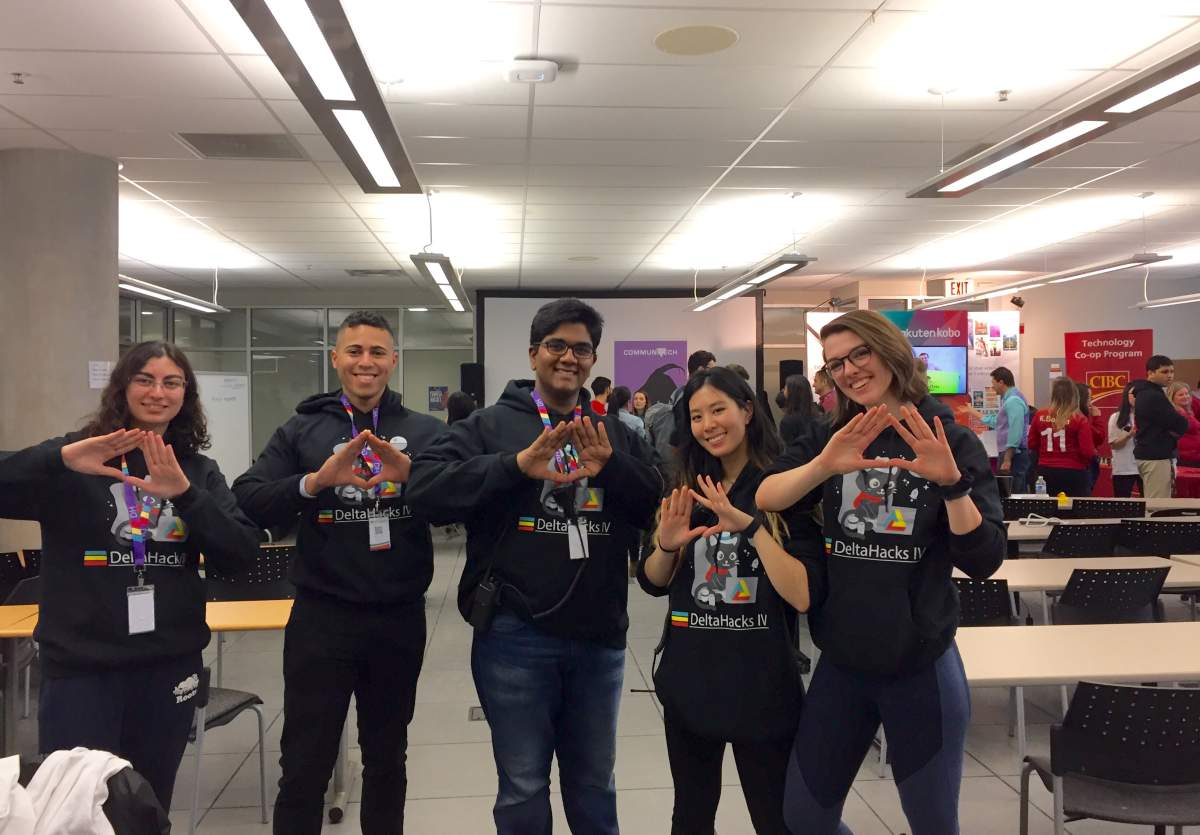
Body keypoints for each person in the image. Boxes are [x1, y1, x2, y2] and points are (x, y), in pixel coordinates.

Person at [404, 298, 662, 835]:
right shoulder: (488, 426)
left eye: (582, 348)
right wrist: (516, 465)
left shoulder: (613, 432)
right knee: (522, 787)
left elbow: (653, 506)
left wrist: (611, 469)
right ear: (533, 353)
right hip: (514, 634)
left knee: (595, 785)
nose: (569, 357)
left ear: (593, 360)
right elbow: (425, 490)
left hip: (600, 636)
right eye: (557, 345)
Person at [755, 310, 1004, 835]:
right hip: (843, 661)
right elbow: (766, 496)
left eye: (858, 354)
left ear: (887, 350)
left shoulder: (949, 438)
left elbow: (983, 560)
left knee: (934, 824)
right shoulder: (832, 434)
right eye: (835, 363)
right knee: (804, 816)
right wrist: (826, 463)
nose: (848, 371)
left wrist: (953, 485)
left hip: (920, 663)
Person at [0, 341, 260, 810]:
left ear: (186, 395)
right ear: (123, 387)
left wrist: (185, 495)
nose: (157, 392)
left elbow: (241, 554)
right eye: (145, 379)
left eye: (171, 382)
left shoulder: (196, 472)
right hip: (82, 670)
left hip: (168, 667)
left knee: (148, 804)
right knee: (75, 810)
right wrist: (58, 458)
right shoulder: (76, 461)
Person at [231, 310, 447, 835]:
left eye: (377, 352)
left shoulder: (424, 431)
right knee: (304, 763)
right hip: (321, 618)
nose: (365, 362)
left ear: (394, 361)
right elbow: (249, 496)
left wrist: (412, 478)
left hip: (396, 619)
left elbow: (458, 505)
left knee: (387, 759)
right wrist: (314, 482)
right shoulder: (302, 428)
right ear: (336, 359)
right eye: (354, 351)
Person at [638, 366, 817, 835]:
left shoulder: (781, 486)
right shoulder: (687, 485)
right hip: (691, 679)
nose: (708, 425)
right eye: (697, 416)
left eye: (718, 410)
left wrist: (751, 527)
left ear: (747, 410)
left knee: (775, 817)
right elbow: (653, 582)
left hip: (762, 683)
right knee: (691, 816)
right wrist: (668, 544)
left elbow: (802, 595)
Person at [646, 349, 718, 478]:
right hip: (688, 465)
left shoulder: (681, 393)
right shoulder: (688, 396)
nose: (715, 374)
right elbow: (681, 433)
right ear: (701, 370)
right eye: (712, 369)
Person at [1028, 377, 1096, 497]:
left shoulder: (1039, 415)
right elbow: (1088, 452)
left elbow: (1032, 443)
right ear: (1074, 395)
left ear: (1053, 395)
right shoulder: (1079, 419)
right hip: (1074, 472)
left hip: (1045, 471)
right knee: (1075, 511)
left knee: (1047, 510)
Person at [1132, 355, 1188, 499]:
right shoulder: (1153, 396)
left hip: (1152, 454)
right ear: (1150, 373)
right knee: (1158, 504)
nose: (1169, 376)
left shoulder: (1146, 393)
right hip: (1156, 456)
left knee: (1154, 501)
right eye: (1164, 372)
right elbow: (1180, 424)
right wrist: (1176, 428)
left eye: (1171, 371)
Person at [978, 367, 1030, 492]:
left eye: (993, 383)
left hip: (1013, 455)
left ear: (1001, 382)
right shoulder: (1010, 399)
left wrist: (1007, 459)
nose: (992, 387)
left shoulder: (1013, 401)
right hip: (1011, 454)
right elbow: (998, 423)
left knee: (1012, 494)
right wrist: (974, 413)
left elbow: (1015, 430)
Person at [1108, 383, 1142, 497]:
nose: (1137, 397)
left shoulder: (1148, 416)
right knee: (1122, 503)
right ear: (1126, 396)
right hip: (1124, 468)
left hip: (1145, 467)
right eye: (1134, 394)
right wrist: (1128, 436)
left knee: (1148, 503)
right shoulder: (1116, 417)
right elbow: (1114, 445)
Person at [1076, 382, 1105, 493]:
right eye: (1088, 398)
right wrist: (1097, 418)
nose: (1090, 402)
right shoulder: (1080, 419)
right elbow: (1098, 437)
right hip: (1083, 464)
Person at [778, 373, 820, 446]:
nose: (783, 390)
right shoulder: (819, 415)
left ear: (791, 392)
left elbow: (788, 449)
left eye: (785, 388)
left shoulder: (788, 421)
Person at [1168, 381, 1200, 467]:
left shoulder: (1188, 411)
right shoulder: (1175, 414)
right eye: (1181, 395)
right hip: (1186, 459)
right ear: (1172, 397)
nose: (1185, 397)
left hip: (1193, 456)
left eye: (1187, 394)